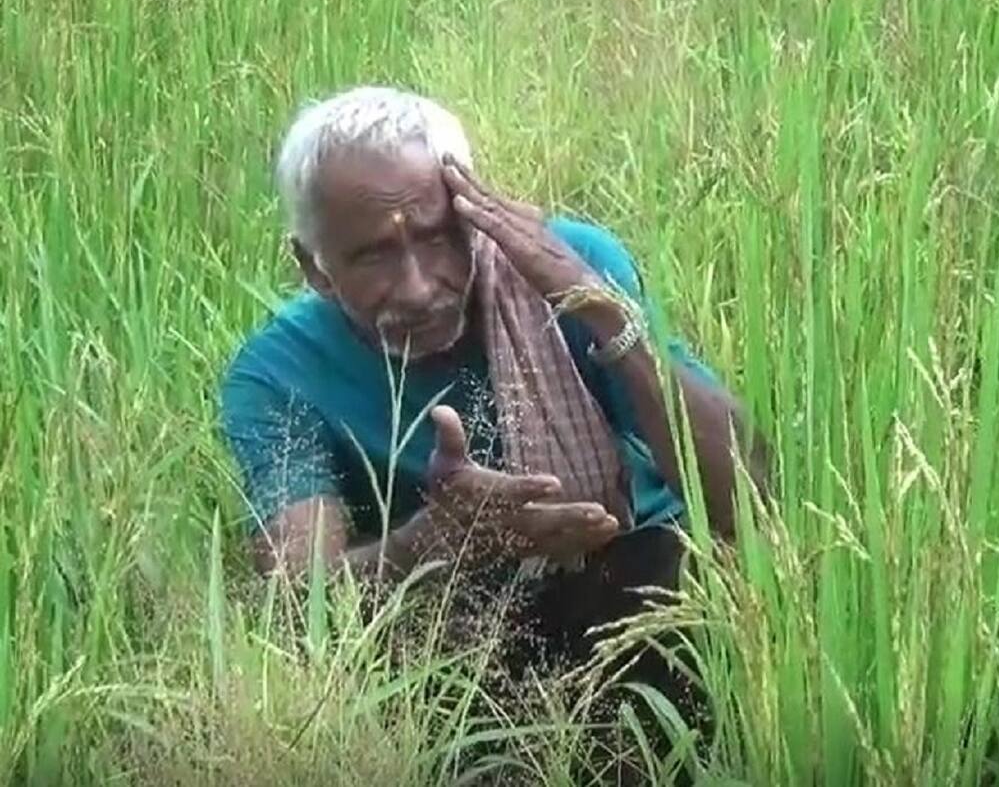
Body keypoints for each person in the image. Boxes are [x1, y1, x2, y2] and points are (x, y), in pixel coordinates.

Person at [220, 85, 764, 688]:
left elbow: (753, 495)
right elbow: (297, 604)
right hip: (457, 638)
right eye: (373, 257)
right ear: (314, 266)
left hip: (645, 575)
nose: (418, 288)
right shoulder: (277, 372)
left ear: (474, 216)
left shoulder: (570, 265)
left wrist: (605, 312)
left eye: (436, 237)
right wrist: (434, 543)